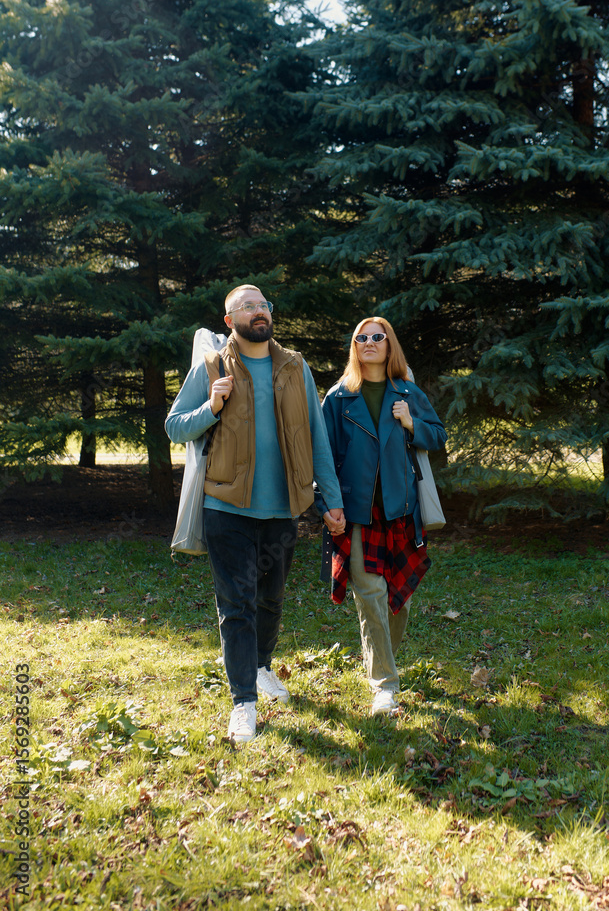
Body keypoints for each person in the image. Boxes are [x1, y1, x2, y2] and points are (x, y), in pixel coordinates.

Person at [165, 284, 345, 743]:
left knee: (271, 598)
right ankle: (243, 701)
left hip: (283, 507)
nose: (257, 311)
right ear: (229, 321)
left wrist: (331, 499)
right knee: (236, 604)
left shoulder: (294, 366)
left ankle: (262, 666)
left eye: (263, 304)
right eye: (246, 306)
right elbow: (174, 425)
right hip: (225, 507)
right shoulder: (211, 366)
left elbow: (316, 438)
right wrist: (212, 405)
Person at [317, 317, 447, 716]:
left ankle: (379, 662)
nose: (370, 342)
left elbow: (438, 435)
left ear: (390, 346)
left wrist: (412, 423)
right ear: (354, 346)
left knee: (397, 601)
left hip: (400, 511)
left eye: (378, 337)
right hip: (357, 513)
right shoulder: (338, 399)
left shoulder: (408, 391)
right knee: (370, 597)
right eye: (361, 337)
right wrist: (327, 506)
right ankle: (385, 687)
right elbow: (321, 459)